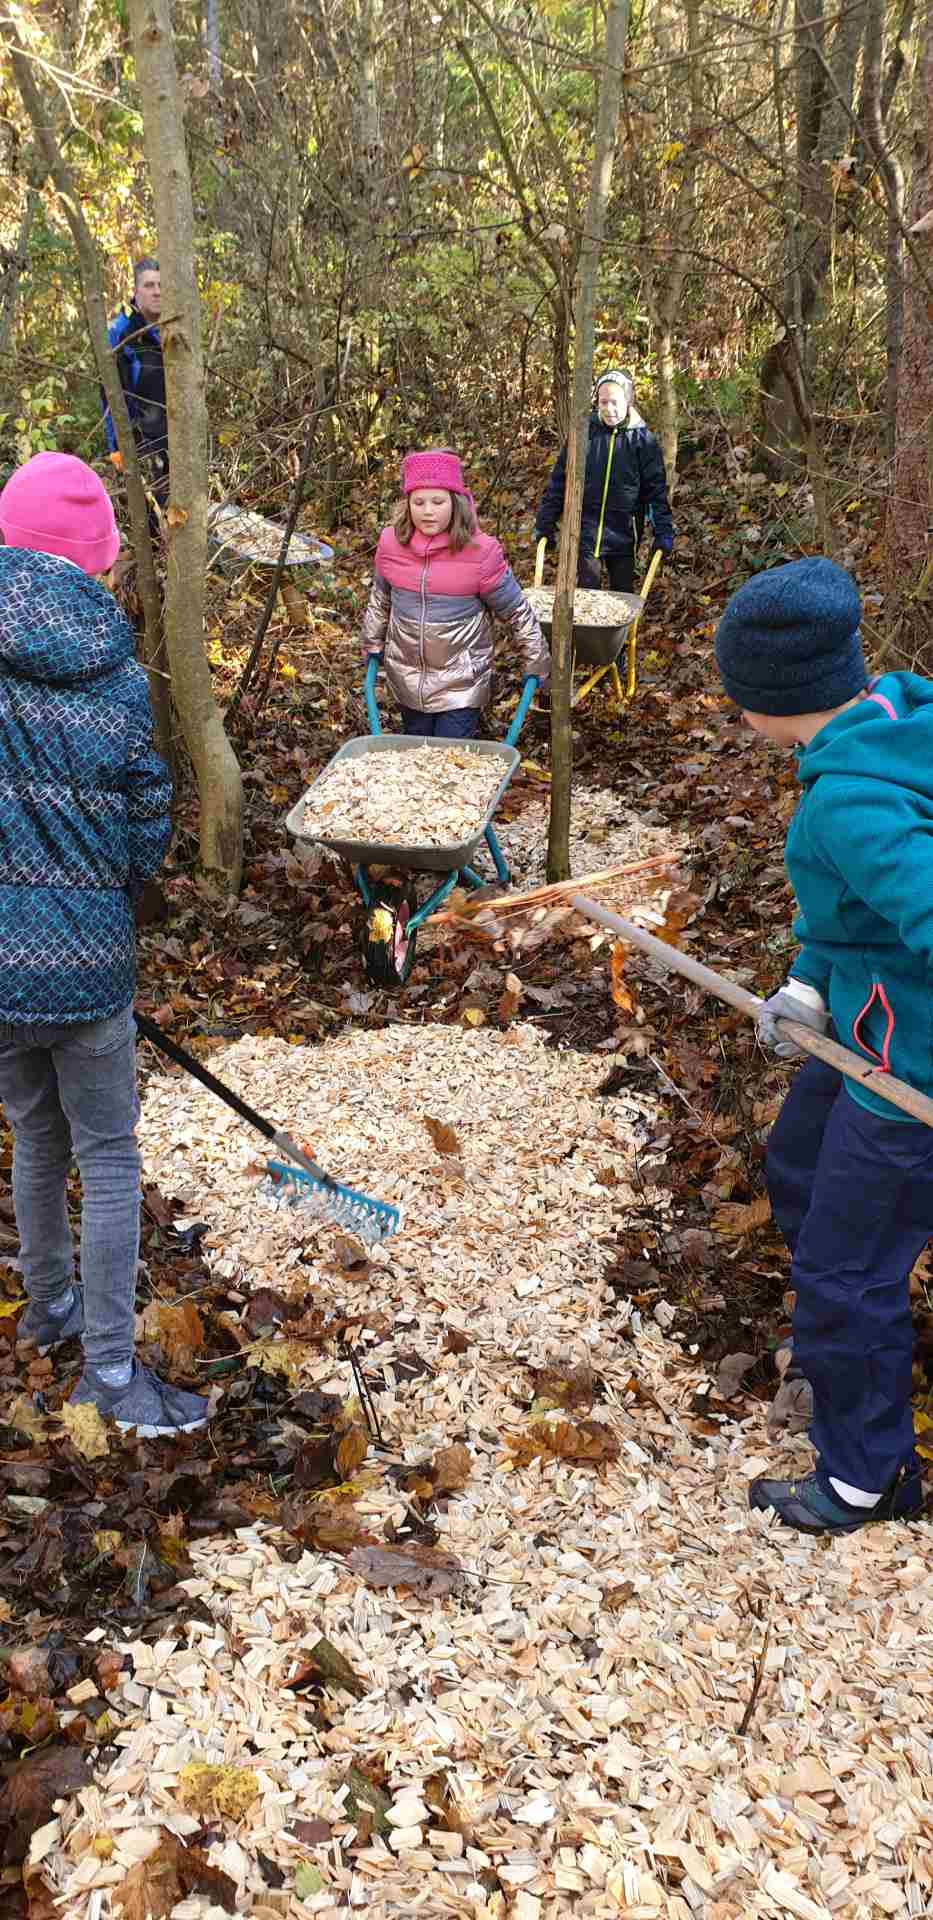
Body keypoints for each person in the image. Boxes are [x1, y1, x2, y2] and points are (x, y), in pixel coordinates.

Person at [714, 555, 932, 1535]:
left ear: (769, 699)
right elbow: (856, 916)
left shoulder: (848, 801)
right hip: (868, 1025)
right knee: (798, 1161)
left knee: (843, 1270)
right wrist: (807, 985)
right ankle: (844, 1332)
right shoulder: (893, 715)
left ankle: (864, 1476)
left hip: (907, 1070)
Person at [0, 452, 207, 1438]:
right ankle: (114, 1376)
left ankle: (50, 1307)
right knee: (110, 1157)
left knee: (36, 1135)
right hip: (85, 966)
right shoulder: (119, 679)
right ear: (101, 560)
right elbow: (144, 825)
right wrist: (100, 904)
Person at [361, 448, 550, 738]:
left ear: (455, 502)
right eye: (418, 502)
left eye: (438, 502)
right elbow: (381, 597)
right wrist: (372, 640)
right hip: (406, 678)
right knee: (416, 751)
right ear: (407, 504)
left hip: (461, 683)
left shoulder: (480, 553)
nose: (427, 511)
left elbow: (516, 610)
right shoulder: (392, 544)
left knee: (449, 755)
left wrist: (535, 657)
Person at [534, 369, 674, 593]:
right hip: (585, 531)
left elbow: (655, 491)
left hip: (624, 534)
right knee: (587, 593)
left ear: (628, 400)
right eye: (603, 402)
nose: (609, 409)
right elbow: (560, 480)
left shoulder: (642, 441)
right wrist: (545, 522)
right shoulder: (584, 433)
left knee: (621, 594)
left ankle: (620, 617)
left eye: (615, 402)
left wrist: (664, 531)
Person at [102, 257, 168, 508]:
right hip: (143, 446)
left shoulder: (173, 326)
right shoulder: (122, 332)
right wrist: (116, 447)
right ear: (136, 290)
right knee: (154, 514)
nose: (157, 292)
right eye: (149, 285)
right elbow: (109, 395)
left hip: (177, 438)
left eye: (161, 285)